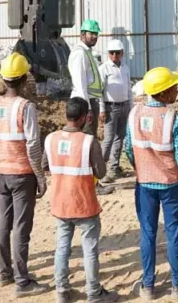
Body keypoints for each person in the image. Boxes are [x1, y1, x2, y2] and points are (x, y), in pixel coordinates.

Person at [126, 67, 178, 301]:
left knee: (147, 234)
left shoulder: (134, 114)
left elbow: (128, 148)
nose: (177, 90)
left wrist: (141, 167)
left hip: (145, 184)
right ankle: (177, 285)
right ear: (164, 93)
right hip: (171, 185)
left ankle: (148, 286)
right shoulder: (173, 118)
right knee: (173, 233)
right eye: (174, 87)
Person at [0, 53, 51, 296]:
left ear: (4, 80)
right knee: (21, 227)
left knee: (4, 224)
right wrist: (40, 176)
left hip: (2, 172)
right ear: (24, 79)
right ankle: (22, 281)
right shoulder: (26, 107)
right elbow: (33, 144)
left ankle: (5, 273)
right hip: (22, 173)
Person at [46, 98, 118, 303]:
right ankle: (93, 293)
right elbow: (101, 172)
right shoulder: (88, 142)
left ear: (66, 114)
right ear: (86, 117)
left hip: (60, 204)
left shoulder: (50, 139)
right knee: (90, 250)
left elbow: (45, 164)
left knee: (62, 248)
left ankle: (62, 291)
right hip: (84, 204)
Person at [98, 39, 132, 182]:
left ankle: (114, 167)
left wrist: (131, 106)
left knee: (119, 138)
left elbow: (128, 89)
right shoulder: (104, 68)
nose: (114, 55)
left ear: (122, 53)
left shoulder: (125, 68)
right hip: (110, 107)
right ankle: (99, 170)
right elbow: (100, 91)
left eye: (117, 53)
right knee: (108, 139)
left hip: (123, 106)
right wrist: (101, 109)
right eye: (111, 53)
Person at [68, 19, 105, 135]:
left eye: (96, 34)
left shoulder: (86, 52)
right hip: (84, 102)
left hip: (88, 101)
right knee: (85, 139)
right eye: (91, 33)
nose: (95, 36)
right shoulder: (80, 53)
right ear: (82, 34)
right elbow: (80, 84)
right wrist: (88, 109)